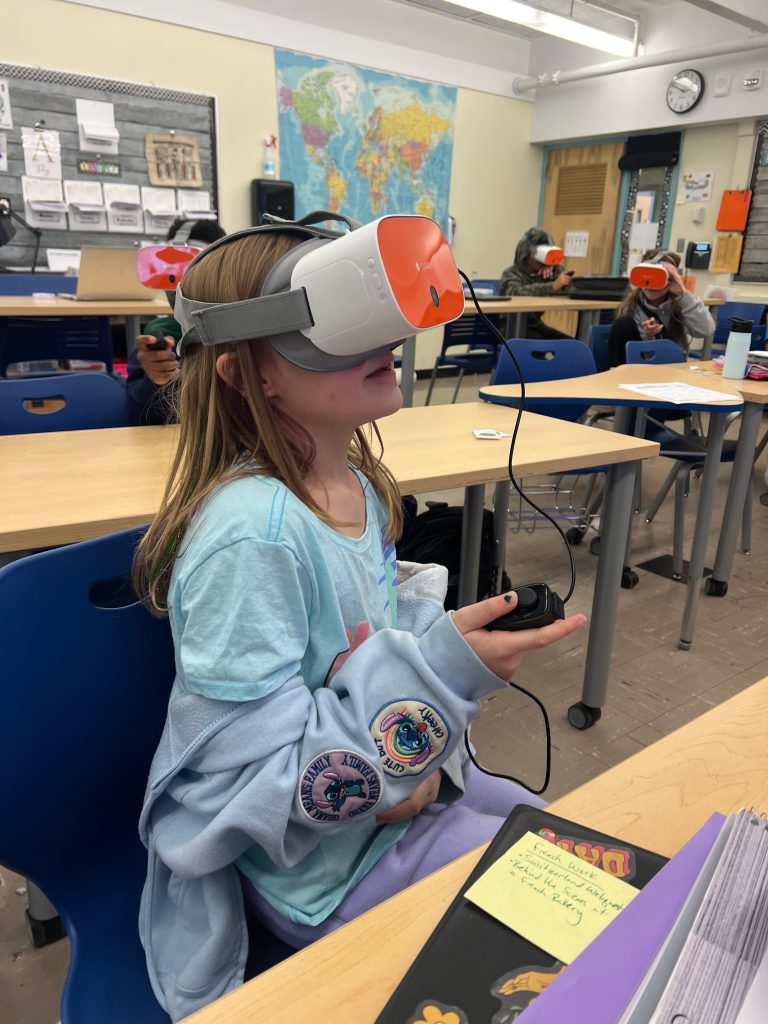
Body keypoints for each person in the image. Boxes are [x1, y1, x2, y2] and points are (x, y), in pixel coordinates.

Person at [132, 219, 586, 1021]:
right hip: (321, 864)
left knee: (582, 868)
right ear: (248, 376)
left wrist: (434, 679)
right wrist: (438, 682)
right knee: (571, 941)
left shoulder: (357, 488)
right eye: (328, 332)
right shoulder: (253, 536)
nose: (382, 341)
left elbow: (362, 659)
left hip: (394, 798)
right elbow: (253, 783)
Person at [126, 217, 226, 424]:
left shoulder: (243, 331)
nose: (178, 288)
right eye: (170, 274)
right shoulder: (157, 337)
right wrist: (156, 382)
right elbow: (140, 420)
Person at [607, 249, 715, 367]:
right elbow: (635, 356)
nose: (651, 284)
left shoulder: (681, 305)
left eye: (659, 277)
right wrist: (648, 339)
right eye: (647, 276)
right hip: (639, 368)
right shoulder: (631, 307)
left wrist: (683, 294)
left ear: (671, 279)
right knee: (623, 324)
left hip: (673, 368)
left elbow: (706, 330)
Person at [499, 227, 575, 340]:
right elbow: (514, 293)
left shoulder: (547, 273)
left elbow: (568, 286)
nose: (541, 262)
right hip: (509, 327)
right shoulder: (511, 273)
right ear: (526, 255)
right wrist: (552, 286)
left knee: (573, 345)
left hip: (535, 326)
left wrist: (553, 267)